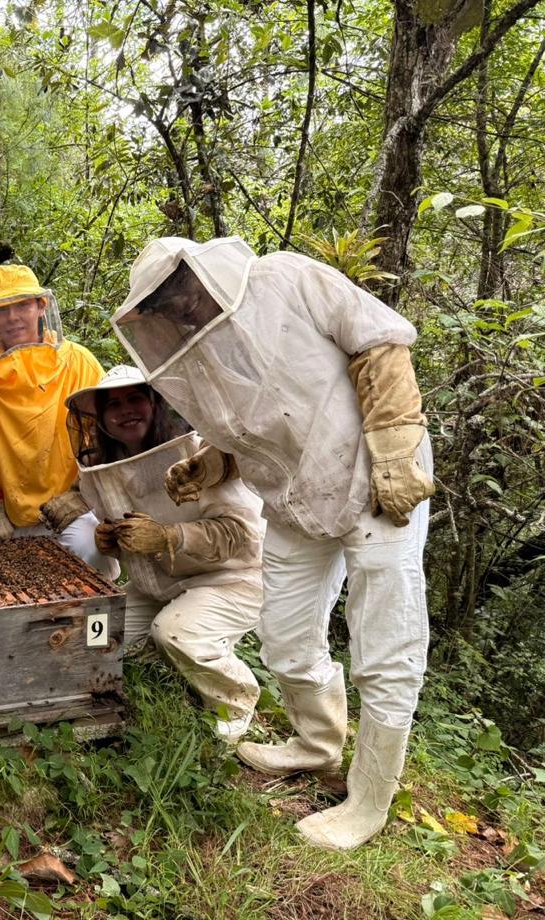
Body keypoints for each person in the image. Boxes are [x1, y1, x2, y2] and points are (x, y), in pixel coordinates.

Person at [111, 236, 434, 850]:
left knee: (384, 645)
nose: (179, 305)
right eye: (163, 303)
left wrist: (393, 447)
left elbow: (380, 344)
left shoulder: (288, 279)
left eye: (181, 288)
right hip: (295, 503)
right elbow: (255, 430)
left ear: (201, 272)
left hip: (375, 482)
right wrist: (210, 466)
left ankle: (368, 800)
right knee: (283, 635)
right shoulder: (199, 356)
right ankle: (316, 744)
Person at [66, 364, 265, 741]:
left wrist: (168, 537)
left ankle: (235, 701)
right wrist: (112, 539)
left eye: (135, 398)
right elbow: (124, 525)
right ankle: (171, 658)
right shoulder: (100, 470)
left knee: (173, 633)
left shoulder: (196, 456)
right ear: (102, 419)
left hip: (228, 580)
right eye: (114, 405)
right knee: (100, 637)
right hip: (156, 585)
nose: (126, 410)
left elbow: (242, 534)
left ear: (156, 404)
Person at [0, 264, 115, 576]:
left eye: (22, 305)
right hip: (13, 520)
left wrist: (81, 495)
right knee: (21, 594)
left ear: (41, 306)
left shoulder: (79, 362)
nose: (13, 318)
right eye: (2, 309)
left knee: (93, 556)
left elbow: (107, 433)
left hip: (77, 512)